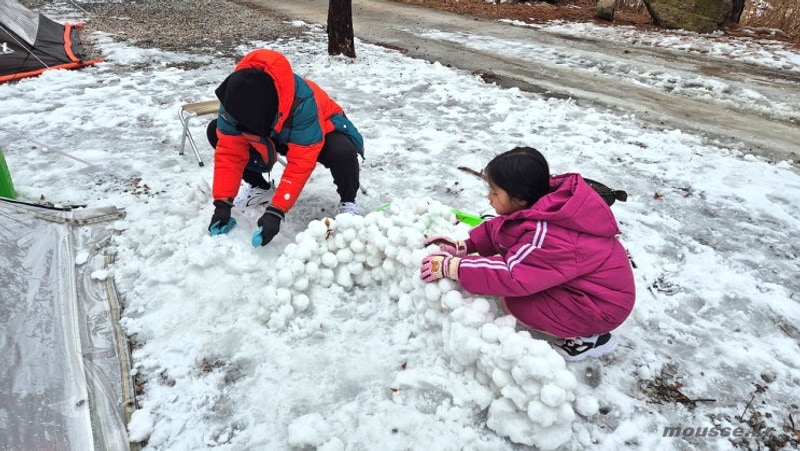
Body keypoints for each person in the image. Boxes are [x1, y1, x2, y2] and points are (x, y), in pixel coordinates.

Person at [419, 147, 635, 361]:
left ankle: (591, 338)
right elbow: (504, 229)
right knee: (515, 290)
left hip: (601, 306)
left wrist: (454, 267)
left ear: (521, 198)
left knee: (516, 305)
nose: (489, 197)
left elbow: (512, 275)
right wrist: (466, 246)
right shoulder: (541, 204)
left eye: (495, 192)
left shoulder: (549, 235)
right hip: (586, 289)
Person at [206, 49, 364, 246]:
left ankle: (348, 201)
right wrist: (222, 203)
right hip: (275, 132)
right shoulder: (233, 100)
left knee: (342, 151)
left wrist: (276, 211)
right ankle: (260, 188)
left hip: (321, 129)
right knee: (216, 131)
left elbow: (300, 163)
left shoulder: (302, 101)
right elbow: (230, 154)